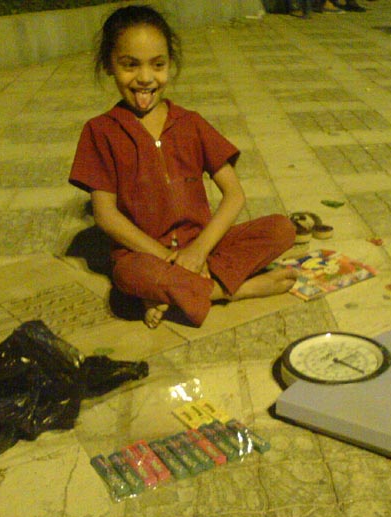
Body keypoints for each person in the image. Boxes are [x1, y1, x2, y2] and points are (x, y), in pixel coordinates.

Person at [69, 6, 297, 329]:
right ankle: (233, 290)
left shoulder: (191, 123)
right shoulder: (100, 131)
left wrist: (199, 251)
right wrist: (168, 258)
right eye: (130, 64)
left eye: (158, 64)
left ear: (170, 64)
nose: (145, 78)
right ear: (109, 64)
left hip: (202, 245)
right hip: (144, 255)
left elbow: (234, 195)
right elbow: (106, 216)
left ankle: (175, 292)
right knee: (128, 275)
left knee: (281, 229)